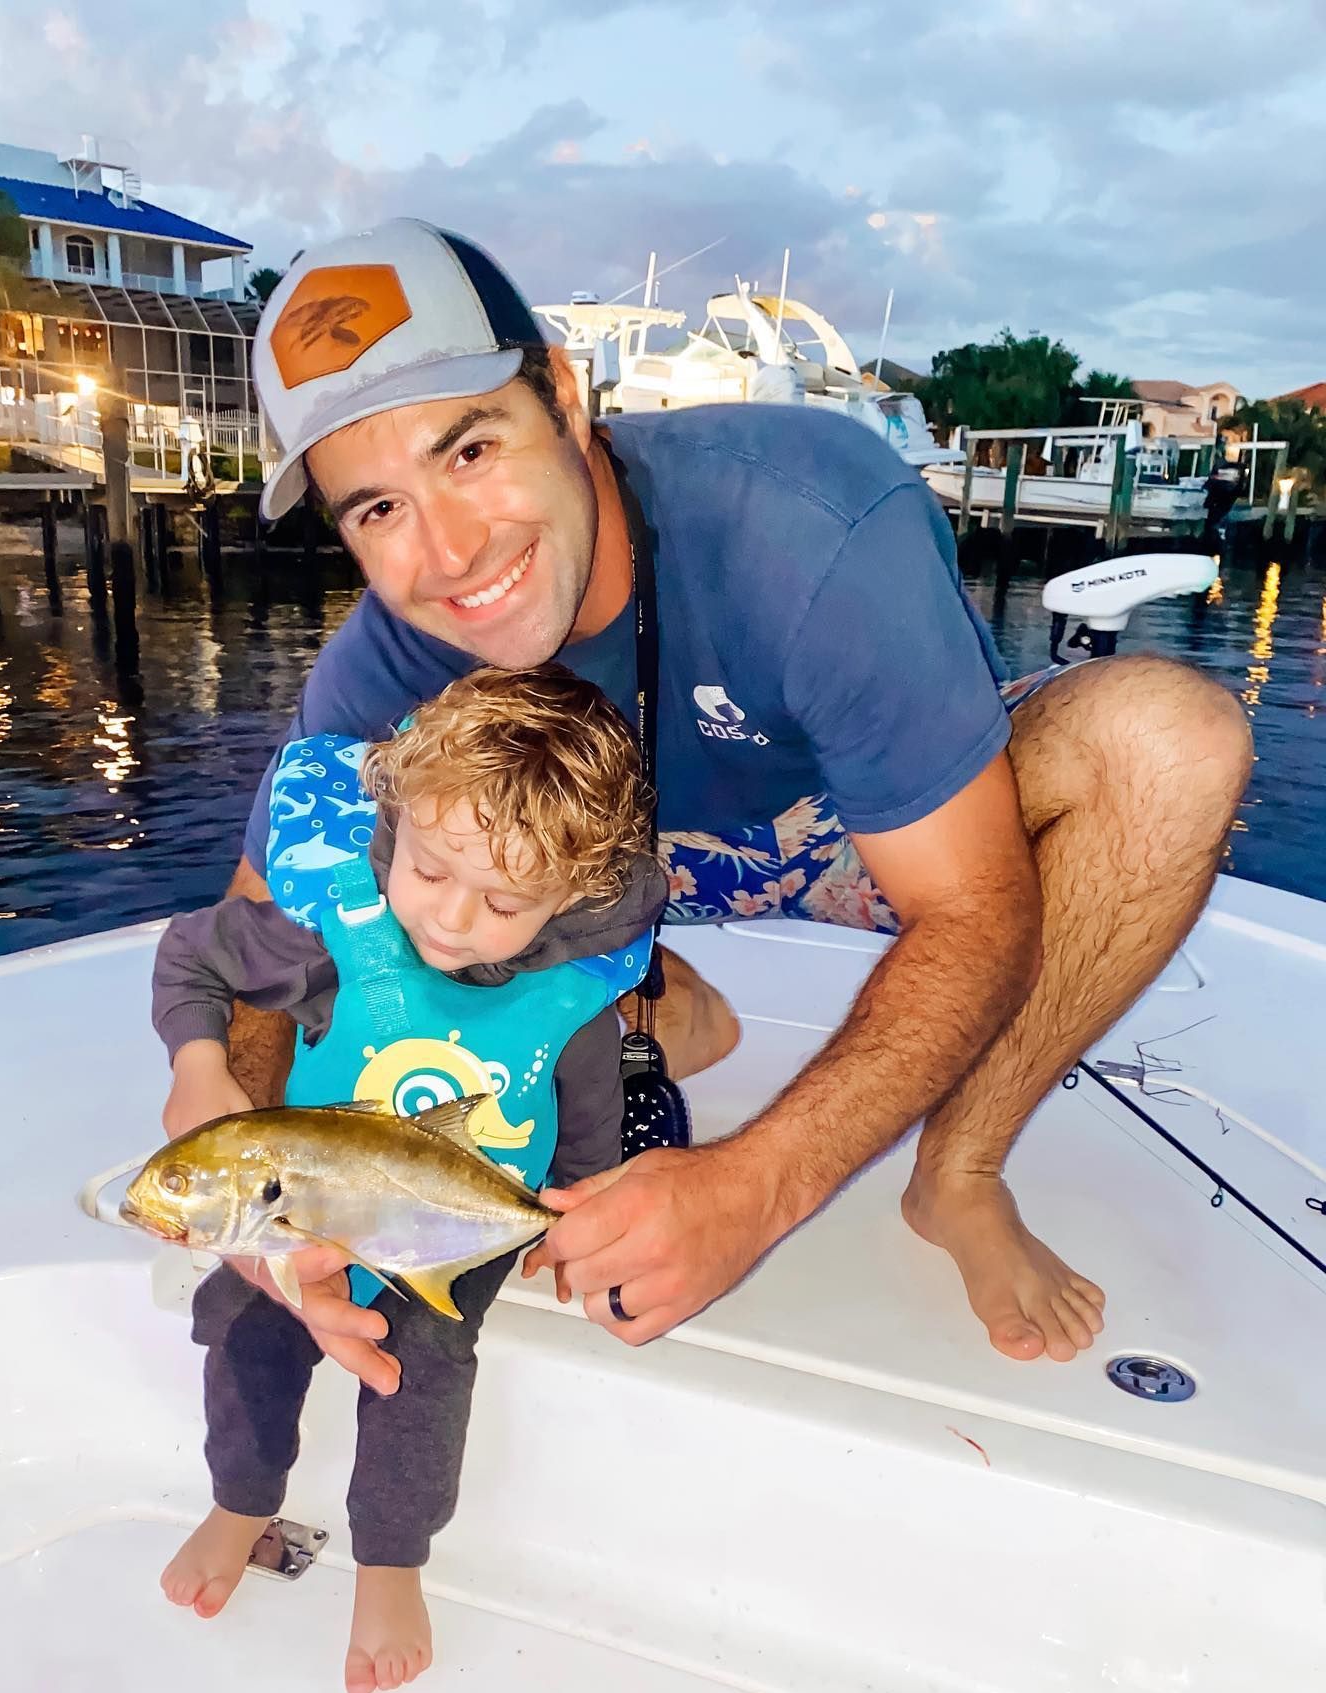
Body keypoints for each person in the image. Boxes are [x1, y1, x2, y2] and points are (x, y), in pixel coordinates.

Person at [222, 218, 1251, 1381]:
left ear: (562, 392)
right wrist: (254, 1172)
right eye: (378, 510)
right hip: (601, 860)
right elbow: (262, 925)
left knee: (1173, 743)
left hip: (842, 818)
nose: (449, 554)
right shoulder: (385, 655)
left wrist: (755, 1190)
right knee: (366, 839)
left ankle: (960, 1174)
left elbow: (974, 907)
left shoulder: (810, 522)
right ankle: (638, 999)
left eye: (468, 452)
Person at [148, 666, 665, 1693]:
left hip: (451, 1231)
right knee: (244, 1327)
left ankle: (391, 1559)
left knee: (422, 1369)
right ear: (398, 823)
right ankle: (241, 1498)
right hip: (301, 1208)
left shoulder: (575, 1004)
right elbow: (192, 958)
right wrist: (198, 1065)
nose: (453, 919)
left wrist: (577, 1216)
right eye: (430, 871)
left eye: (506, 900)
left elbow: (589, 1134)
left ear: (577, 895)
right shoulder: (332, 935)